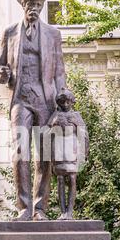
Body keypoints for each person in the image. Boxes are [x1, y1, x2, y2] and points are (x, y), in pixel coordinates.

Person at [0, 0, 66, 221]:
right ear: (23, 6)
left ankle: (40, 209)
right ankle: (24, 208)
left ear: (42, 7)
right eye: (29, 4)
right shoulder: (10, 32)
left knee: (43, 155)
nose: (33, 8)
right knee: (19, 151)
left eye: (37, 4)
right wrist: (1, 74)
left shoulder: (53, 35)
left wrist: (63, 94)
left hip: (45, 100)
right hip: (20, 99)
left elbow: (59, 71)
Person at [47, 88, 89, 220]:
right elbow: (46, 136)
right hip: (59, 151)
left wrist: (84, 153)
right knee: (60, 180)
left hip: (72, 150)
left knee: (72, 178)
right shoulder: (55, 116)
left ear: (72, 102)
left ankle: (69, 212)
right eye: (62, 102)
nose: (65, 105)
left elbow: (84, 135)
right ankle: (62, 212)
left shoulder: (76, 116)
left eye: (68, 102)